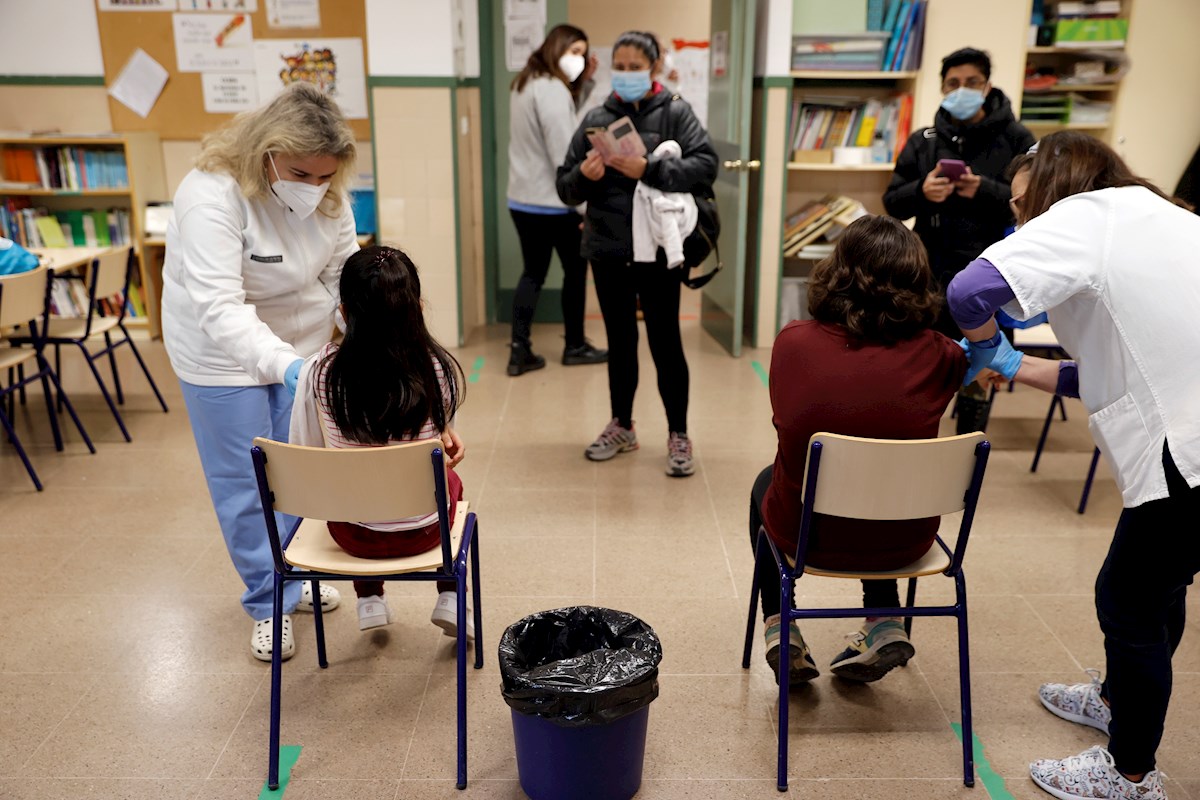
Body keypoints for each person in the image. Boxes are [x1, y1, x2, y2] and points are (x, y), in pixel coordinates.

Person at [946, 130, 1200, 800]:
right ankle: (1117, 700)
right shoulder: (1162, 216)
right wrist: (1008, 363)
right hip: (1191, 436)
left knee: (1128, 599)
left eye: (1024, 205)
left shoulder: (1084, 216)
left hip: (1190, 448)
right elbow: (1111, 372)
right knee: (1159, 586)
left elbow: (969, 291)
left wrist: (981, 338)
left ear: (1057, 187)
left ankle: (1130, 772)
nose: (1019, 220)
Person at [162, 83, 358, 662]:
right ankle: (269, 598)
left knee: (295, 468)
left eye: (326, 177)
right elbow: (220, 306)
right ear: (266, 152)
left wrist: (363, 331)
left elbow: (342, 275)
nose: (315, 188)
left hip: (301, 344)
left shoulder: (328, 197)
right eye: (302, 172)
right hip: (221, 356)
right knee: (245, 484)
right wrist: (284, 365)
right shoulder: (211, 196)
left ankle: (297, 571)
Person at [748, 215, 967, 685]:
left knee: (767, 480)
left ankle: (779, 625)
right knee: (883, 472)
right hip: (906, 541)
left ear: (837, 271)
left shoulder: (793, 343)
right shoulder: (943, 355)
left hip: (809, 535)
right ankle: (884, 618)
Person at [557, 30, 718, 477]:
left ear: (654, 65)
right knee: (621, 343)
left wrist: (650, 168)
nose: (626, 74)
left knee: (667, 343)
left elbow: (707, 166)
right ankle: (622, 425)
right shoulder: (597, 116)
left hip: (659, 254)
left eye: (635, 66)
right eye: (620, 66)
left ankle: (679, 433)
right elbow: (564, 186)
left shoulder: (676, 112)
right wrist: (586, 175)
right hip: (607, 251)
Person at [289, 245, 471, 636]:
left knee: (353, 482)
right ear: (418, 308)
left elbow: (307, 454)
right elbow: (439, 443)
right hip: (428, 532)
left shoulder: (319, 371)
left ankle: (369, 599)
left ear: (343, 312)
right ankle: (451, 594)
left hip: (352, 535)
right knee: (450, 482)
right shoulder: (436, 368)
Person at [883, 47, 1034, 434]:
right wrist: (922, 191)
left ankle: (968, 440)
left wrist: (983, 190)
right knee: (920, 359)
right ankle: (917, 429)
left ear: (987, 86)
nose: (961, 90)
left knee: (982, 363)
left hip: (992, 269)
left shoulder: (1018, 140)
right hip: (928, 267)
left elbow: (1033, 207)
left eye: (971, 82)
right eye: (953, 83)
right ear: (941, 87)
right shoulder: (924, 140)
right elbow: (892, 203)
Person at [507, 24, 607, 376]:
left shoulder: (526, 82)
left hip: (522, 199)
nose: (579, 59)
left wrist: (586, 81)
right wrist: (583, 206)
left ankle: (519, 350)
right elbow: (563, 153)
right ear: (557, 47)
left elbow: (563, 117)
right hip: (555, 203)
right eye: (575, 51)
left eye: (583, 53)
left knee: (532, 272)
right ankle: (575, 345)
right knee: (575, 272)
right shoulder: (551, 89)